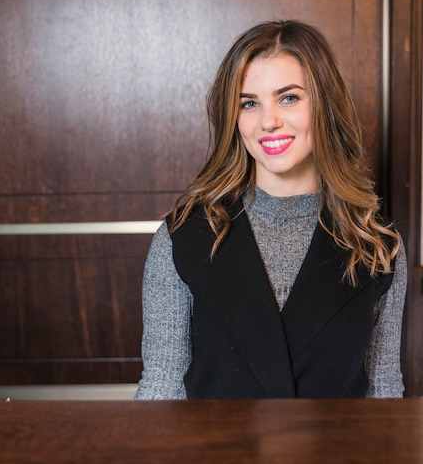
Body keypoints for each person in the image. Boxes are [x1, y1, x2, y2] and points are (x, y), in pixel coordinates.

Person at [135, 20, 407, 400]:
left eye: (289, 98)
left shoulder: (376, 245)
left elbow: (384, 389)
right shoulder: (182, 239)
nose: (268, 121)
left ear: (324, 104)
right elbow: (161, 388)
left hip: (342, 460)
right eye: (249, 103)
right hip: (213, 458)